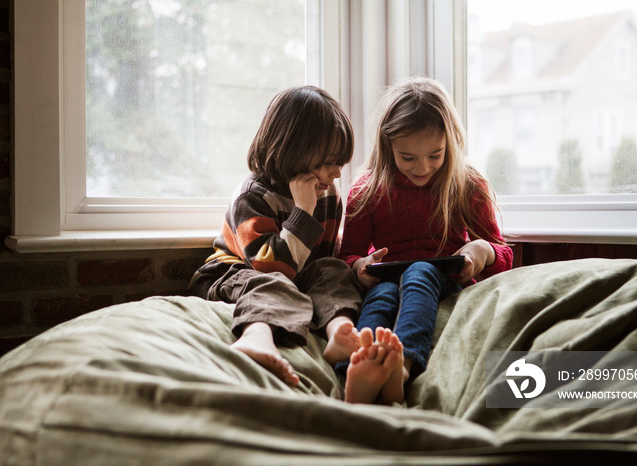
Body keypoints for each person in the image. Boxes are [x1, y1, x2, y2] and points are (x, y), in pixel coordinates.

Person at [339, 77, 514, 404]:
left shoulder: (467, 184)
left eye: (435, 155)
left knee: (419, 272)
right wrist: (360, 266)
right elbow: (348, 256)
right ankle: (358, 366)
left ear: (451, 142)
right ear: (387, 145)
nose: (423, 167)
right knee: (382, 296)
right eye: (408, 158)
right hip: (387, 279)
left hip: (446, 281)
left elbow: (503, 254)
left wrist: (481, 251)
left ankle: (401, 367)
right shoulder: (365, 191)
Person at [189, 86, 364, 388]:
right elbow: (270, 268)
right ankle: (256, 337)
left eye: (340, 162)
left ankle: (340, 330)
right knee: (273, 283)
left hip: (292, 275)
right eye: (326, 162)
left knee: (334, 270)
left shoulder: (328, 193)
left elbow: (323, 261)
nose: (336, 172)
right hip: (235, 273)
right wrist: (304, 214)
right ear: (292, 151)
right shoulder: (253, 196)